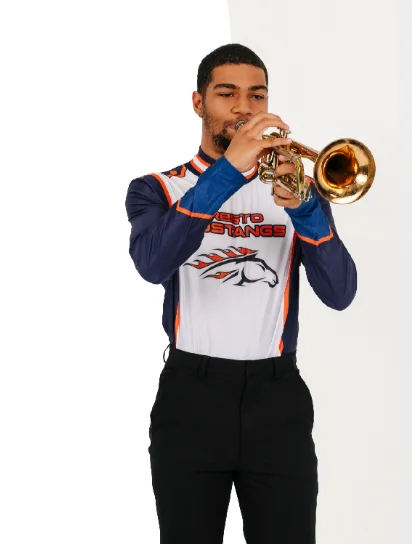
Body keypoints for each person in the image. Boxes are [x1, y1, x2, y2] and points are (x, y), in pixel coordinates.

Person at [124, 43, 357, 543]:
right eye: (226, 93)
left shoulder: (295, 186)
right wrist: (229, 169)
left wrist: (305, 209)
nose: (244, 108)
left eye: (257, 95)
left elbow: (340, 293)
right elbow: (153, 263)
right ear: (198, 102)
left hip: (278, 401)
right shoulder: (156, 189)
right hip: (190, 399)